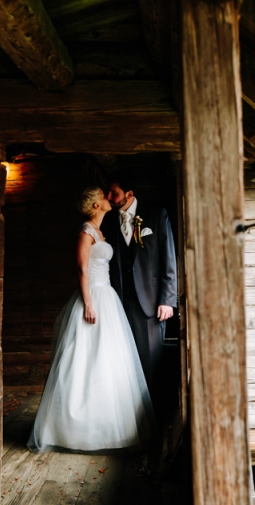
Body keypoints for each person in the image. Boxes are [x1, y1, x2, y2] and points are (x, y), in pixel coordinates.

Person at [27, 187, 154, 454]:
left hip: (107, 296)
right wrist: (88, 303)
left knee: (108, 359)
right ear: (95, 205)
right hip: (93, 297)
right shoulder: (86, 232)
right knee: (84, 358)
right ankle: (70, 428)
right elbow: (82, 269)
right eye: (102, 196)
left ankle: (111, 426)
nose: (108, 198)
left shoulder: (100, 231)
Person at [102, 170, 177, 401]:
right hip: (120, 303)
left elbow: (169, 259)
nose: (109, 197)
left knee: (150, 362)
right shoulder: (108, 222)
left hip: (150, 303)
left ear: (129, 194)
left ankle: (153, 418)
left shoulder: (155, 215)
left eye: (114, 193)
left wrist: (167, 300)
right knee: (124, 361)